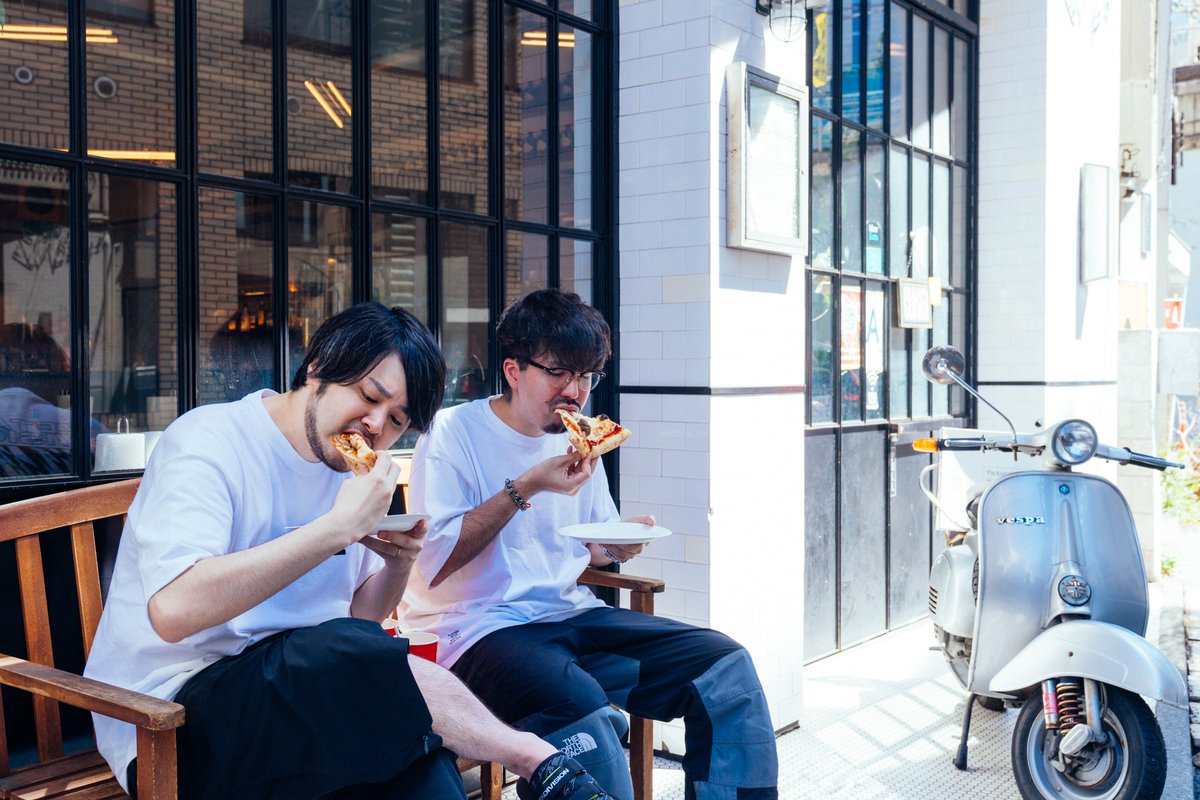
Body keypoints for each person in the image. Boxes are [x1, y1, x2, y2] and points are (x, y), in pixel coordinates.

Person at [84, 302, 613, 800]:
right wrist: (336, 529)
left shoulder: (354, 474)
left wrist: (399, 560)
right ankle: (537, 760)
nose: (377, 425)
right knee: (338, 652)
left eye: (399, 419)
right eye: (369, 395)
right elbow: (174, 611)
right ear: (318, 366)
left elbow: (361, 616)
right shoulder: (212, 440)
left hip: (309, 701)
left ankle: (554, 778)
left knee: (422, 765)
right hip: (172, 718)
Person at [401, 290, 779, 800]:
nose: (573, 391)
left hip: (568, 617)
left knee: (725, 668)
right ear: (513, 370)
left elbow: (591, 547)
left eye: (585, 376)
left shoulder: (577, 440)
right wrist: (527, 486)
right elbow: (432, 564)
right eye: (559, 372)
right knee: (585, 713)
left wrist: (620, 545)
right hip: (474, 631)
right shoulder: (452, 432)